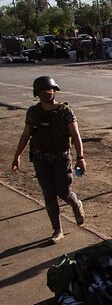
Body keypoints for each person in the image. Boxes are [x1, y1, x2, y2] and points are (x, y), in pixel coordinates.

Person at [11, 76, 86, 243]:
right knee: (49, 195)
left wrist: (80, 157)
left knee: (64, 192)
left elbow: (75, 135)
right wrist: (17, 156)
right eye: (43, 90)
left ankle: (76, 204)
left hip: (61, 157)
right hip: (41, 159)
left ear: (55, 91)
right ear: (37, 93)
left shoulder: (65, 111)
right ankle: (57, 230)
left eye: (50, 89)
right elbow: (25, 135)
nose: (47, 93)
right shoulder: (33, 112)